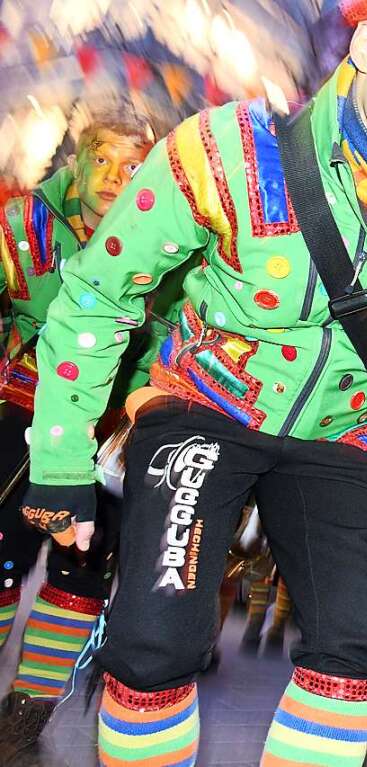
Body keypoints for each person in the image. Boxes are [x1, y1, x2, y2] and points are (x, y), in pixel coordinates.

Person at [18, 1, 367, 764]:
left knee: (351, 648)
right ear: (365, 44)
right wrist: (61, 462)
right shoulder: (223, 151)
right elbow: (101, 293)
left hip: (348, 429)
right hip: (208, 403)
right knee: (154, 643)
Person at [0, 103, 166, 760]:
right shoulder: (19, 227)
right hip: (20, 413)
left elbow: (178, 332)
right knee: (3, 558)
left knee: (80, 575)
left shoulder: (162, 240)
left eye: (133, 167)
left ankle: (22, 721)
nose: (115, 179)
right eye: (102, 160)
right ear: (76, 157)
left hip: (106, 436)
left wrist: (145, 401)